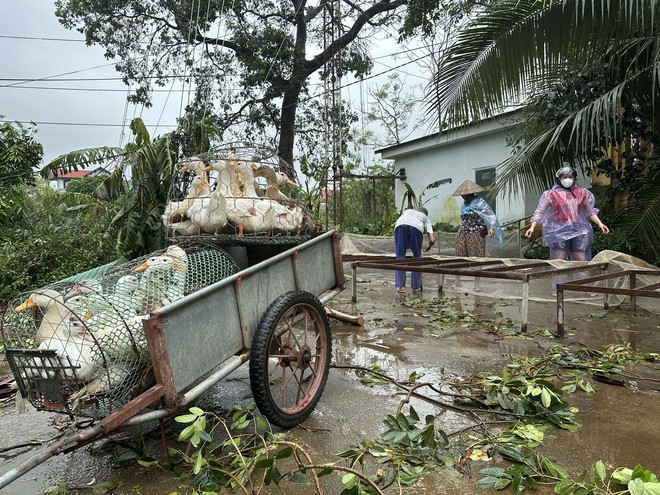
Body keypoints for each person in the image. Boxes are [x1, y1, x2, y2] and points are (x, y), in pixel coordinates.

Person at [524, 166, 610, 290]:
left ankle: (586, 287)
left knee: (581, 258)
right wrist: (532, 226)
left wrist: (600, 224)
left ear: (575, 178)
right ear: (559, 178)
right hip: (559, 230)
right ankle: (558, 287)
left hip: (579, 229)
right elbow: (540, 212)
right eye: (564, 177)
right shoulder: (551, 194)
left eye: (570, 177)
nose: (567, 179)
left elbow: (590, 212)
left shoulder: (582, 193)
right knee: (559, 260)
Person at [452, 180, 503, 257]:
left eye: (464, 193)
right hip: (464, 232)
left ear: (470, 193)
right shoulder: (464, 205)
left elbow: (490, 215)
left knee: (475, 256)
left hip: (476, 233)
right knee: (460, 254)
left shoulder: (480, 203)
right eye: (462, 194)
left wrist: (491, 228)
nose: (462, 195)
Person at [394, 206, 436, 294]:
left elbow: (404, 223)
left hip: (399, 226)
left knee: (400, 257)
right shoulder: (426, 218)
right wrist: (429, 246)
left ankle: (401, 287)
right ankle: (415, 287)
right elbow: (432, 239)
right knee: (417, 258)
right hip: (416, 228)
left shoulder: (407, 211)